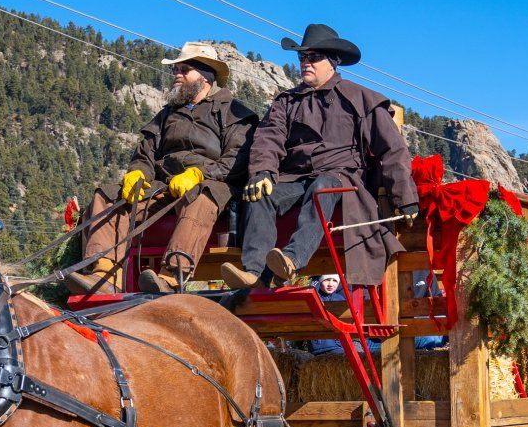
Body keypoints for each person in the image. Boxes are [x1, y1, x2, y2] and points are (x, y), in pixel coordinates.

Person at [223, 23, 419, 289]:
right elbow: (268, 137)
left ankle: (291, 261)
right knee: (261, 192)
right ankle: (255, 272)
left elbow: (393, 149)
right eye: (302, 57)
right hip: (295, 178)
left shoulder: (360, 98)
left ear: (333, 62)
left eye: (313, 57)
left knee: (323, 186)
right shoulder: (286, 102)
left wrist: (405, 199)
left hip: (343, 180)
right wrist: (263, 171)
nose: (305, 63)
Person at [69, 41, 256, 294]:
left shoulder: (235, 112)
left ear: (205, 77)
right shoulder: (167, 115)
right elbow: (145, 153)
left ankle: (171, 276)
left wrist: (200, 173)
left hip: (212, 186)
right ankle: (103, 274)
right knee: (107, 194)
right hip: (164, 185)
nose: (176, 75)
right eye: (175, 70)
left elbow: (237, 158)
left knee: (203, 196)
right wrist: (137, 173)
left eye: (184, 70)